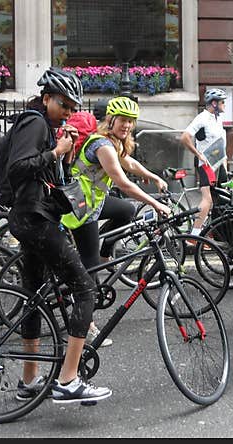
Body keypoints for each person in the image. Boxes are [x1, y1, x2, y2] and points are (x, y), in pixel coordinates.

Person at [4, 67, 111, 403]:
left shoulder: (44, 125)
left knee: (33, 295)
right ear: (47, 98)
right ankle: (68, 379)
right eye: (63, 104)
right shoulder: (35, 122)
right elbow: (18, 167)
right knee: (84, 287)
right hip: (35, 219)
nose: (68, 111)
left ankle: (30, 380)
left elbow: (40, 173)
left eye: (72, 106)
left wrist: (60, 153)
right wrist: (54, 152)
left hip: (31, 216)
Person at [61, 96, 170, 347]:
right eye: (123, 120)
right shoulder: (102, 145)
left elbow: (128, 162)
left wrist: (152, 176)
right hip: (79, 210)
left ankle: (105, 253)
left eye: (131, 121)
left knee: (125, 211)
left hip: (93, 204)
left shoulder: (114, 143)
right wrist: (155, 203)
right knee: (90, 271)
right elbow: (122, 182)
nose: (128, 126)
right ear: (110, 120)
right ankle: (86, 326)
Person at [181, 88, 228, 238]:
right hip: (206, 165)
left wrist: (224, 166)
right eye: (222, 102)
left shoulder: (217, 118)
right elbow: (185, 137)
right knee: (207, 199)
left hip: (218, 164)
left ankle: (211, 233)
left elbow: (220, 144)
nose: (224, 105)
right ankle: (195, 235)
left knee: (218, 199)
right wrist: (198, 154)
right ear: (213, 103)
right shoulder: (202, 118)